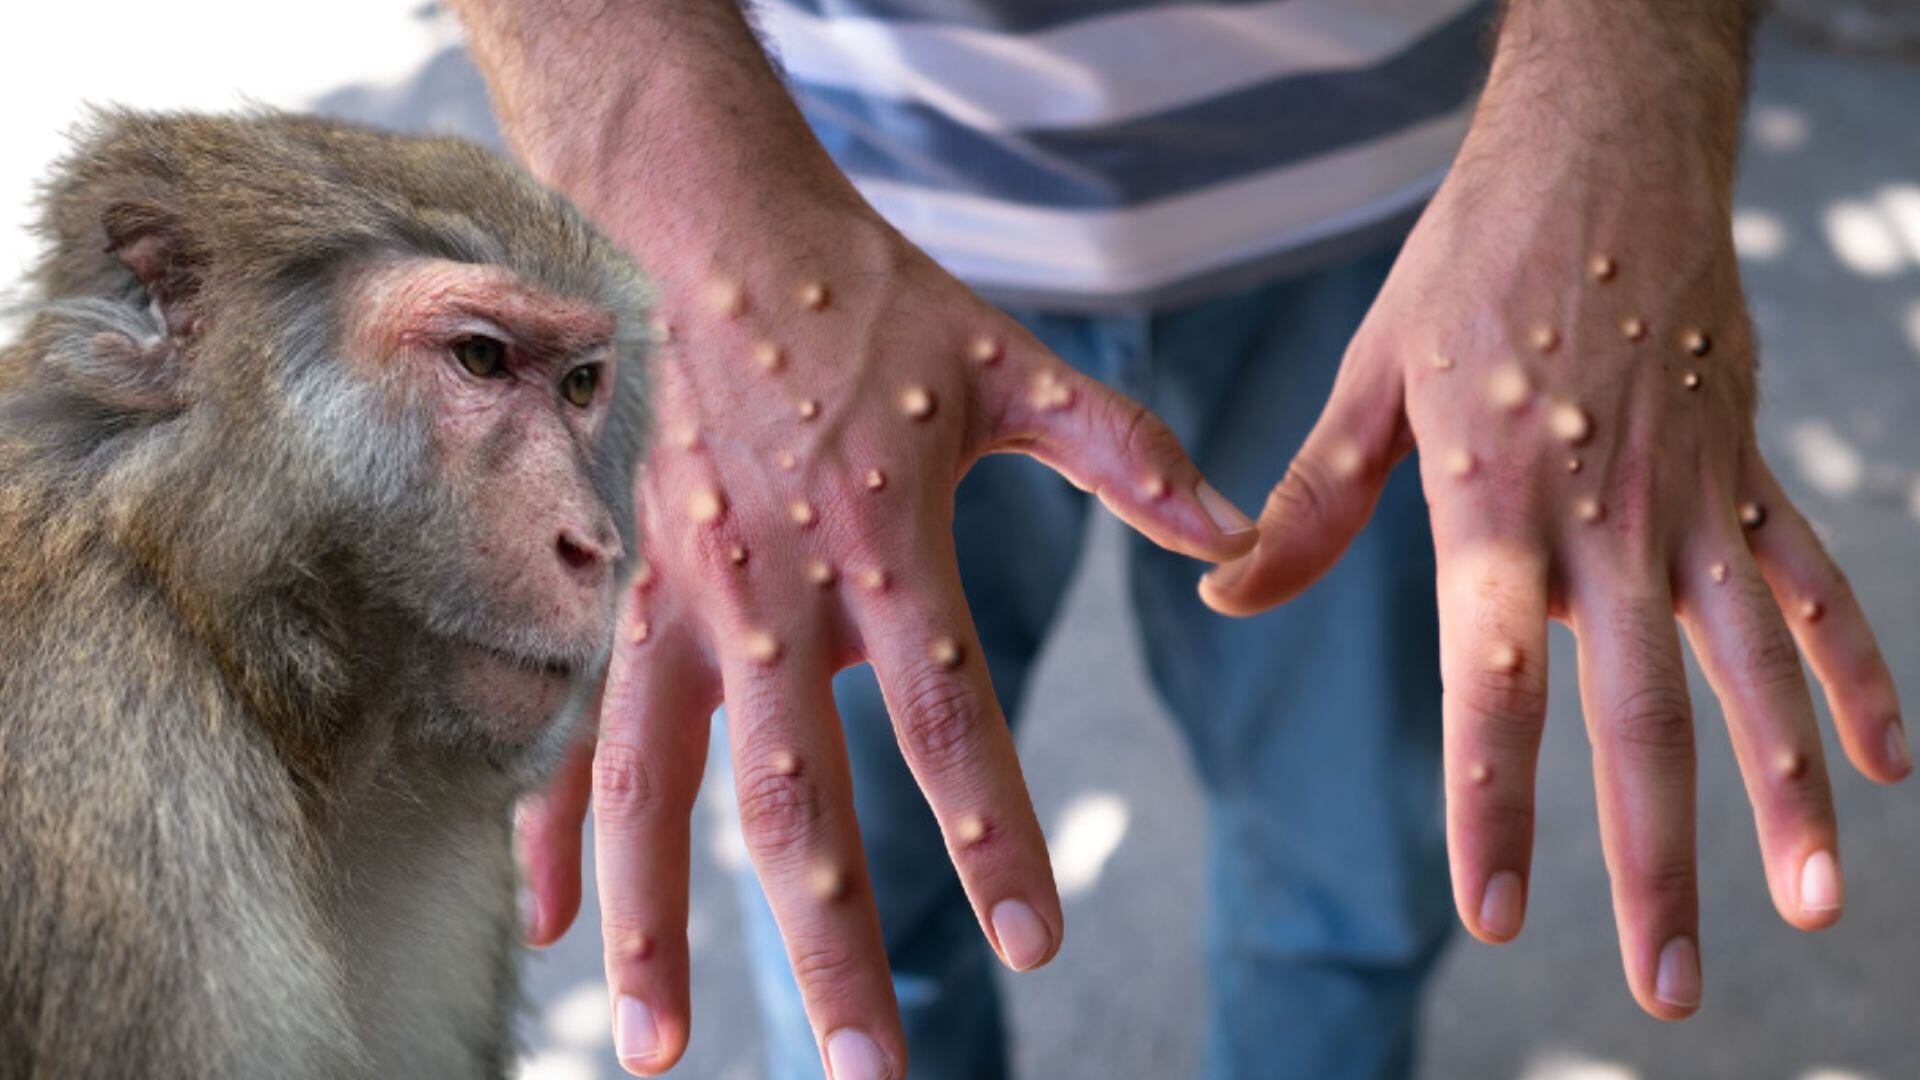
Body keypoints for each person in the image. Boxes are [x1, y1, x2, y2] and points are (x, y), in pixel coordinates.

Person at [448, 1, 1911, 1078]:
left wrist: (1628, 98)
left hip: (1426, 233)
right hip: (809, 223)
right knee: (847, 898)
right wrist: (643, 153)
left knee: (1360, 878)